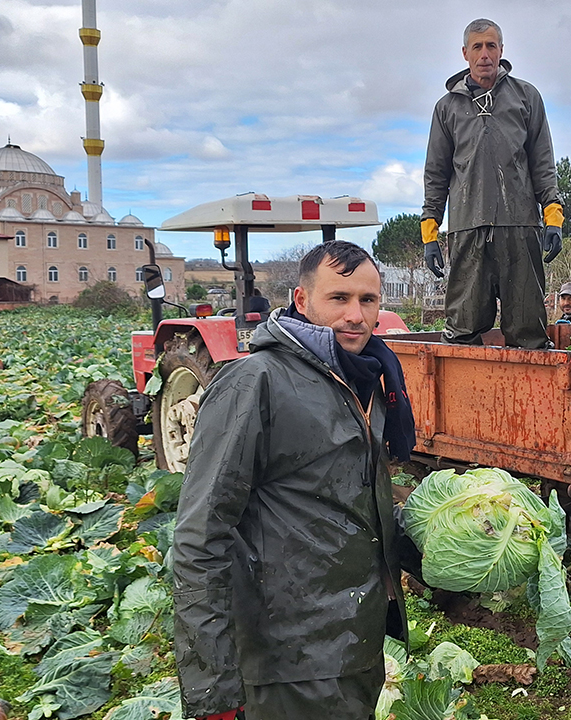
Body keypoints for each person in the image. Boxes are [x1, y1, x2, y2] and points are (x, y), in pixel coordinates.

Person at [173, 241, 418, 720]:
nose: (356, 315)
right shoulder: (255, 382)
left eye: (367, 300)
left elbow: (349, 506)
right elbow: (199, 539)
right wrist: (213, 690)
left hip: (351, 643)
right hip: (290, 656)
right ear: (301, 300)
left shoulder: (362, 379)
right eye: (339, 298)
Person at [421, 18, 564, 349]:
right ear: (465, 53)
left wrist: (553, 217)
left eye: (491, 46)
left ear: (501, 50)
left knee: (528, 331)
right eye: (477, 47)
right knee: (462, 329)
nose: (484, 54)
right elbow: (436, 174)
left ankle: (534, 398)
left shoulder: (526, 97)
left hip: (520, 227)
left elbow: (543, 163)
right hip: (467, 230)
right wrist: (430, 233)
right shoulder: (446, 108)